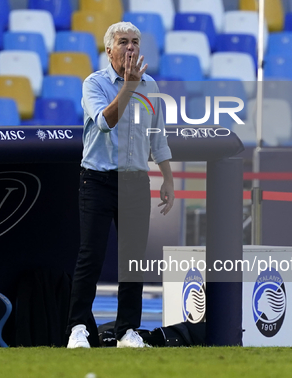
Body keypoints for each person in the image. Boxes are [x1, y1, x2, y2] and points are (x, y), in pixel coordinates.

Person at [67, 21, 175, 349]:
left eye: (135, 42)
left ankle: (129, 330)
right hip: (97, 179)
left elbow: (157, 136)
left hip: (135, 181)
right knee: (92, 255)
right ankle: (78, 329)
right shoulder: (94, 83)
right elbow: (104, 122)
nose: (131, 48)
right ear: (109, 50)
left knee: (133, 259)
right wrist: (128, 87)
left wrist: (167, 176)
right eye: (124, 42)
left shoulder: (151, 85)